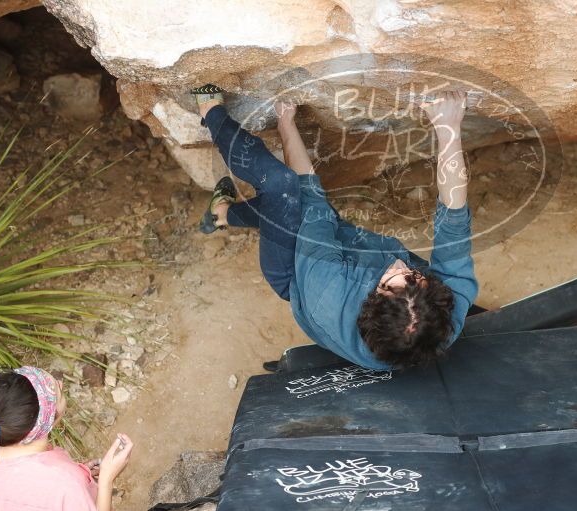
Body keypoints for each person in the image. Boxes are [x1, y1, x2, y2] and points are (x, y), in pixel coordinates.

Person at [192, 84, 477, 370]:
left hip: (294, 270)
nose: (399, 264)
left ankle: (209, 111)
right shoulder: (447, 313)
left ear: (370, 304)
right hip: (348, 257)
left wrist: (285, 122)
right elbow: (453, 219)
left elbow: (309, 197)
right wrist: (448, 127)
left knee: (281, 188)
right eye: (414, 277)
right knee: (286, 213)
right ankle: (222, 214)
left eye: (389, 282)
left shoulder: (329, 288)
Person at [0, 366, 133, 511]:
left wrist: (80, 472)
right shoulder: (65, 485)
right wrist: (107, 479)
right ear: (49, 416)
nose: (61, 383)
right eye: (56, 390)